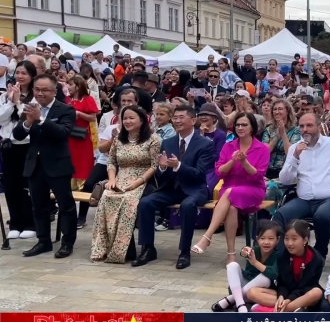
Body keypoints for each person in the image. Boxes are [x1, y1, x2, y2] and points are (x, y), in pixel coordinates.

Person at [133, 105, 215, 270]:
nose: (177, 121)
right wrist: (162, 168)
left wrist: (178, 165)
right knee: (145, 203)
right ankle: (148, 248)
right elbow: (161, 175)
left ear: (193, 120)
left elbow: (199, 174)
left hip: (194, 189)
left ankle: (185, 251)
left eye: (181, 117)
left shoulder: (205, 144)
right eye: (175, 118)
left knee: (188, 205)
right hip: (171, 188)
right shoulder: (168, 142)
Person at [276, 113, 330, 258]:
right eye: (302, 126)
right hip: (304, 200)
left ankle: (319, 253)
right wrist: (295, 157)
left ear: (319, 127)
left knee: (323, 215)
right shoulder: (294, 149)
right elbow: (285, 180)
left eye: (309, 125)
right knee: (281, 214)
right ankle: (281, 256)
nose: (305, 129)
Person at [191, 112, 271, 263]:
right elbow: (219, 171)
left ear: (252, 127)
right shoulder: (229, 146)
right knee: (232, 207)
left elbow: (258, 176)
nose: (240, 128)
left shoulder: (262, 148)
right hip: (229, 188)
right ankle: (231, 254)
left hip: (252, 189)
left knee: (229, 193)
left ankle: (207, 236)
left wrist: (244, 162)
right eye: (238, 125)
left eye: (244, 125)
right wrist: (233, 161)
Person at [12, 74, 77, 258]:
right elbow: (17, 135)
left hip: (58, 164)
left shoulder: (65, 109)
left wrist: (40, 120)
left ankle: (67, 243)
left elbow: (63, 133)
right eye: (37, 89)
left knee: (66, 206)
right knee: (38, 207)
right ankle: (43, 241)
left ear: (54, 91)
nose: (40, 93)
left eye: (44, 90)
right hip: (35, 164)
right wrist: (28, 122)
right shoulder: (30, 107)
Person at [90, 105, 159, 264]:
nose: (127, 121)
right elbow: (111, 162)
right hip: (120, 178)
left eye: (131, 118)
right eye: (125, 118)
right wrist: (112, 179)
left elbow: (154, 166)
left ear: (141, 120)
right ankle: (119, 249)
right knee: (106, 199)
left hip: (143, 179)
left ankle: (135, 248)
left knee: (129, 202)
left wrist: (139, 181)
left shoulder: (152, 140)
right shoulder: (118, 140)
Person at [0, 61, 37, 239]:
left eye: (25, 73)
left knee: (25, 186)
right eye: (18, 72)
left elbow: (30, 119)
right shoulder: (6, 94)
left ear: (31, 76)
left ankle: (30, 222)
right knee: (10, 184)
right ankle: (15, 222)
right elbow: (1, 120)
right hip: (8, 146)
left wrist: (18, 103)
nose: (20, 76)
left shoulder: (36, 96)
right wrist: (10, 101)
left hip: (27, 146)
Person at [213, 220, 281, 313]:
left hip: (259, 291)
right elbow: (244, 252)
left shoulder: (278, 255)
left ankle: (233, 299)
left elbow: (274, 274)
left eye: (271, 238)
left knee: (265, 277)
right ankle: (240, 303)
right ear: (257, 239)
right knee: (232, 265)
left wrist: (255, 262)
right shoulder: (255, 250)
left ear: (277, 240)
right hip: (246, 284)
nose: (266, 242)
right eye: (262, 238)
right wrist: (244, 251)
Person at [264, 219, 324, 312]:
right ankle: (292, 308)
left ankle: (280, 310)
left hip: (303, 294)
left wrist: (289, 299)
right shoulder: (283, 256)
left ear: (305, 240)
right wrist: (281, 296)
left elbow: (307, 286)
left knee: (317, 293)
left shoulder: (316, 260)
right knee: (253, 293)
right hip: (287, 293)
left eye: (294, 239)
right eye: (286, 238)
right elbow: (282, 282)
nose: (289, 243)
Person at [67, 76, 100, 189]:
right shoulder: (67, 99)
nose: (68, 87)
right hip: (68, 135)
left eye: (71, 85)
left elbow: (93, 118)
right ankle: (70, 185)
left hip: (82, 136)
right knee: (70, 159)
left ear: (78, 86)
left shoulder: (88, 99)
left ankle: (83, 186)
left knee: (83, 161)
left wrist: (79, 114)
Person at [262, 99, 300, 179]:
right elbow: (264, 151)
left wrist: (283, 134)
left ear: (287, 111)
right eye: (275, 109)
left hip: (284, 172)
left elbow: (290, 154)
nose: (276, 112)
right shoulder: (269, 129)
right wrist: (276, 138)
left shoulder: (296, 130)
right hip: (267, 170)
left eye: (280, 109)